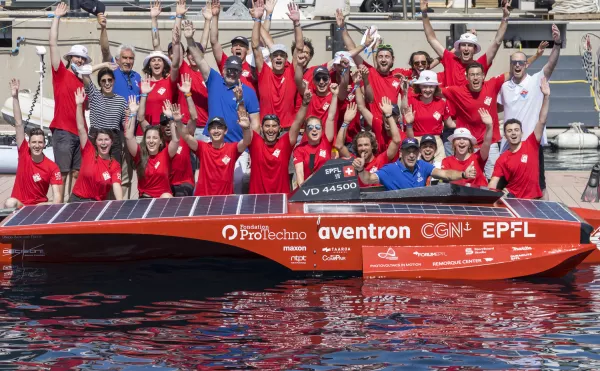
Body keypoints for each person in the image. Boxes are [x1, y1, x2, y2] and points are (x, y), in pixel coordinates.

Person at [183, 20, 260, 194]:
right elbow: (199, 59)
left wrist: (252, 150)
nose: (231, 73)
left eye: (235, 70)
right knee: (204, 182)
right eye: (228, 69)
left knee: (236, 185)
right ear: (223, 69)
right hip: (211, 142)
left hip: (238, 146)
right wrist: (189, 39)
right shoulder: (214, 80)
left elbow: (255, 125)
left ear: (241, 72)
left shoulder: (248, 92)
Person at [498, 24, 562, 200]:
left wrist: (557, 44)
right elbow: (497, 108)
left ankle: (547, 221)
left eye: (520, 62)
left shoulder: (535, 81)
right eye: (514, 63)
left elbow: (551, 64)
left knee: (539, 186)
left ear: (526, 64)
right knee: (502, 186)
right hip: (508, 145)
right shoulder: (504, 87)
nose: (517, 66)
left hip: (531, 144)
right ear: (511, 65)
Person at [49, 2, 92, 200]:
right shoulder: (60, 73)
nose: (80, 61)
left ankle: (71, 206)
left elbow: (88, 107)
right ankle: (57, 207)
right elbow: (52, 44)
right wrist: (56, 18)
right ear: (70, 58)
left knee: (76, 173)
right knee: (63, 173)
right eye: (77, 57)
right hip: (63, 131)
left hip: (80, 132)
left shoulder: (84, 82)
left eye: (83, 59)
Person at [421, 0, 510, 87]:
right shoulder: (450, 60)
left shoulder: (480, 64)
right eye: (463, 45)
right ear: (458, 48)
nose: (466, 48)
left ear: (475, 49)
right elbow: (431, 39)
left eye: (470, 45)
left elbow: (497, 41)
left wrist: (505, 17)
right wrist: (424, 13)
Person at [442, 63, 507, 178]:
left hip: (490, 143)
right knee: (467, 178)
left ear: (483, 76)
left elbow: (513, 72)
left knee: (494, 177)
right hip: (468, 144)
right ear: (466, 77)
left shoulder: (492, 84)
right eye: (472, 75)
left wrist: (535, 56)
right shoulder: (458, 91)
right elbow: (434, 91)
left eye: (478, 74)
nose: (475, 77)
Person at [489, 78, 551, 199]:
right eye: (509, 131)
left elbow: (542, 120)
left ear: (522, 133)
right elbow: (493, 182)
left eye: (516, 130)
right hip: (514, 201)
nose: (513, 133)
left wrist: (546, 97)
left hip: (534, 201)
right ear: (505, 136)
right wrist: (490, 197)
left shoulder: (531, 144)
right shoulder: (502, 159)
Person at [5, 79, 63, 208]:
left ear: (44, 144)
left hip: (39, 208)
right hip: (20, 205)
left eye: (40, 142)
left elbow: (57, 196)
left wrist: (46, 206)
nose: (37, 145)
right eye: (34, 142)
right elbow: (19, 124)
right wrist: (15, 97)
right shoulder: (24, 152)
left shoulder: (52, 167)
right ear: (29, 144)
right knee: (10, 202)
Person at [176, 101, 253, 196]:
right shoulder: (202, 147)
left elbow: (247, 141)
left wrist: (246, 128)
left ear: (225, 131)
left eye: (219, 127)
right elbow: (186, 136)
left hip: (225, 200)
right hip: (203, 199)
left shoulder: (232, 148)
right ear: (208, 131)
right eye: (213, 128)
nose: (216, 131)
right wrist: (178, 121)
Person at [251, 0, 303, 129]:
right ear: (271, 58)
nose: (278, 57)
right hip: (266, 129)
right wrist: (257, 20)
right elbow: (255, 46)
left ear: (286, 59)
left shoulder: (291, 72)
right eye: (275, 55)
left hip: (287, 130)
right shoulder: (264, 71)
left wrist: (297, 23)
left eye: (282, 55)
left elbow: (299, 48)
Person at [353, 137, 477, 190]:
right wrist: (360, 169)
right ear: (401, 153)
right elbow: (368, 179)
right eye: (408, 151)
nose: (412, 155)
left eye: (414, 151)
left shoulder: (422, 165)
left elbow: (445, 174)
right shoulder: (390, 169)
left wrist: (463, 174)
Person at [249, 90, 311, 194]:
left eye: (274, 126)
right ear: (262, 128)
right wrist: (240, 102)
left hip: (281, 200)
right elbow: (246, 126)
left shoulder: (285, 143)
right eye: (267, 126)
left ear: (279, 129)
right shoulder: (255, 142)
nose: (270, 129)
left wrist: (305, 103)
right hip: (257, 201)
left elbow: (298, 122)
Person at [70, 87, 123, 202]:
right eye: (100, 140)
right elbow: (80, 128)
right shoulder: (88, 150)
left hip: (95, 204)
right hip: (76, 200)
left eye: (106, 140)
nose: (103, 143)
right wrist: (79, 105)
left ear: (111, 142)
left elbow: (117, 185)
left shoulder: (115, 165)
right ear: (96, 142)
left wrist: (120, 203)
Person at [335, 98, 401, 187]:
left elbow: (396, 140)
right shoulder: (354, 162)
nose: (363, 148)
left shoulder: (381, 160)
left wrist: (389, 115)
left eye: (366, 145)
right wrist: (346, 122)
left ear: (372, 146)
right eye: (360, 145)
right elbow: (339, 146)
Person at [126, 97, 181, 199]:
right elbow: (129, 137)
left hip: (164, 199)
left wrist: (171, 119)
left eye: (155, 138)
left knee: (166, 196)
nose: (151, 141)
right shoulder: (139, 154)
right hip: (145, 198)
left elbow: (176, 140)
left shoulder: (165, 154)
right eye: (148, 138)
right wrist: (133, 114)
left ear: (160, 141)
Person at [401, 70, 453, 163]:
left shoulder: (442, 102)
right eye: (424, 86)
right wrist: (404, 93)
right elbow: (404, 111)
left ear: (435, 87)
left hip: (436, 142)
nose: (428, 89)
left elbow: (450, 124)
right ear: (419, 86)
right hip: (416, 140)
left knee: (439, 172)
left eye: (431, 86)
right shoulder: (412, 100)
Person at [293, 84, 339, 186]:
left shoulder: (326, 141)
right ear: (305, 130)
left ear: (322, 130)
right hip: (308, 188)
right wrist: (304, 189)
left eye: (317, 127)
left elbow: (331, 117)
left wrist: (335, 95)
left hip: (327, 187)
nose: (314, 130)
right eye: (310, 127)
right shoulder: (299, 149)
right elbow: (299, 173)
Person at [208, 0, 258, 91]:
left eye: (242, 46)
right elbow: (214, 42)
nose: (238, 47)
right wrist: (215, 16)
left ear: (248, 50)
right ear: (231, 49)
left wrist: (257, 19)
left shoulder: (253, 67)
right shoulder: (226, 63)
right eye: (235, 45)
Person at [82, 68, 127, 165]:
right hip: (96, 136)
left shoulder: (121, 101)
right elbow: (84, 72)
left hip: (114, 139)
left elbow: (125, 125)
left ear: (114, 81)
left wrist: (132, 114)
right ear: (99, 83)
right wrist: (105, 65)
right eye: (103, 81)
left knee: (114, 170)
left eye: (110, 80)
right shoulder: (94, 94)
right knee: (93, 169)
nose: (107, 83)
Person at [441, 109, 494, 188]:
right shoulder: (446, 161)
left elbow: (486, 143)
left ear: (470, 144)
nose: (461, 142)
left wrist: (489, 126)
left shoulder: (478, 157)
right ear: (453, 143)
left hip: (479, 196)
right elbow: (447, 176)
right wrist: (463, 175)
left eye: (465, 139)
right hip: (459, 197)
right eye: (458, 139)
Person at [164, 75, 198, 197]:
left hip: (184, 184)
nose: (168, 126)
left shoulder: (184, 136)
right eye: (165, 124)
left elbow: (194, 118)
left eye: (170, 123)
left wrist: (188, 95)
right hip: (165, 186)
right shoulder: (156, 142)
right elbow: (142, 120)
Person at [98, 13, 141, 101]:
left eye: (131, 58)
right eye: (124, 58)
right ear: (117, 60)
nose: (128, 61)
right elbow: (105, 50)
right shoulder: (112, 70)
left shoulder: (137, 76)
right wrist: (103, 28)